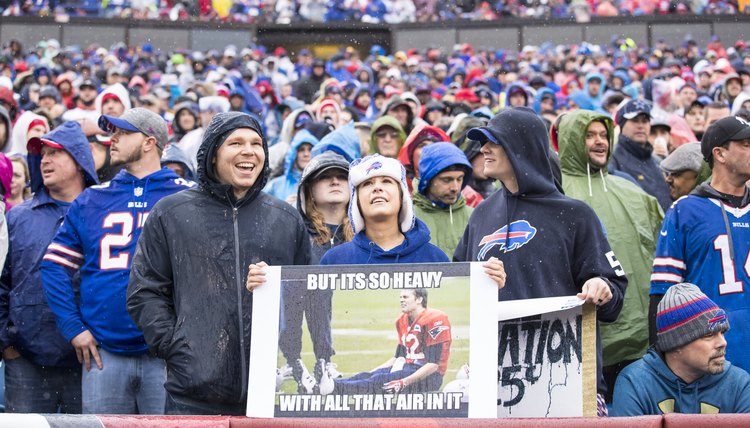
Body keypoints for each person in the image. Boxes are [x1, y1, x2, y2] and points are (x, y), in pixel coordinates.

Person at [127, 112, 311, 415]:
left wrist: (277, 288)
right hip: (192, 397)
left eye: (256, 143)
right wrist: (177, 348)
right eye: (235, 142)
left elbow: (304, 295)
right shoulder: (171, 212)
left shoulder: (286, 219)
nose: (248, 151)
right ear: (213, 154)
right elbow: (145, 291)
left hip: (269, 396)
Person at [453, 107, 627, 416]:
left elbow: (614, 297)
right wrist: (478, 280)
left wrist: (602, 286)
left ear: (521, 148)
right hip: (497, 382)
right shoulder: (481, 213)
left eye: (494, 142)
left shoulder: (576, 215)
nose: (483, 150)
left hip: (566, 380)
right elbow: (458, 291)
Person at [41, 108, 193, 414]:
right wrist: (74, 328)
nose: (113, 139)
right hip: (103, 351)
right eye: (113, 132)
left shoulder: (188, 197)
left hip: (167, 353)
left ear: (150, 142)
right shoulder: (92, 198)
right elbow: (53, 266)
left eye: (123, 133)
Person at [554, 110, 664, 402]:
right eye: (589, 135)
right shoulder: (554, 192)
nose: (599, 142)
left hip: (638, 341)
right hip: (577, 342)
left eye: (603, 135)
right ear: (570, 141)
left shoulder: (632, 192)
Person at [0, 122, 98, 413]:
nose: (44, 160)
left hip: (89, 359)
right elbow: (2, 283)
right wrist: (7, 344)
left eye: (55, 153)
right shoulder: (18, 217)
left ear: (80, 161)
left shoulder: (101, 213)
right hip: (26, 360)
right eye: (42, 154)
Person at [650, 115, 750, 374]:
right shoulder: (684, 211)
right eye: (746, 144)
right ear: (720, 153)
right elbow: (664, 293)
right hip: (710, 359)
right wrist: (661, 360)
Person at [612, 283, 750, 416]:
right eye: (709, 335)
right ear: (676, 344)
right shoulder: (635, 382)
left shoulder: (739, 384)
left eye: (722, 333)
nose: (723, 342)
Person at [277, 151, 352, 393]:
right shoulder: (290, 229)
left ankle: (324, 362)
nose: (334, 181)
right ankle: (294, 363)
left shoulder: (368, 229)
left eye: (342, 177)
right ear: (309, 189)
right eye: (325, 177)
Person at [317, 288, 451, 395]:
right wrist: (372, 372)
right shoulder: (402, 320)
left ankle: (333, 387)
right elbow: (399, 357)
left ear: (419, 299)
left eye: (405, 297)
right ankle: (328, 384)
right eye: (400, 297)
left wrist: (404, 382)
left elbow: (433, 364)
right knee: (370, 375)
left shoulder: (435, 319)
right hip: (408, 367)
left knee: (379, 380)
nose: (401, 300)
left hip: (429, 377)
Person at [413, 142, 473, 258]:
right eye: (447, 180)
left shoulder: (474, 216)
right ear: (428, 180)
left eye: (460, 179)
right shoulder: (408, 218)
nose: (455, 188)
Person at [263, 128, 318, 204]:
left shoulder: (322, 184)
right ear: (293, 154)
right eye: (301, 150)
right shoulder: (275, 185)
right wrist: (283, 208)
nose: (306, 154)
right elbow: (261, 210)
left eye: (310, 149)